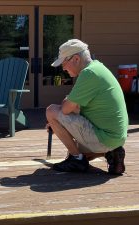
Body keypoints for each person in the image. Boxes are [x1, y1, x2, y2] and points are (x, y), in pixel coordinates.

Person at [46, 39, 128, 175]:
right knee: (76, 148)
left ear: (76, 59)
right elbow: (80, 109)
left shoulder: (88, 74)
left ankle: (77, 160)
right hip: (116, 137)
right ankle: (112, 152)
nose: (63, 68)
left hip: (105, 137)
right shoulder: (98, 68)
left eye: (64, 63)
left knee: (52, 111)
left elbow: (65, 109)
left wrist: (57, 120)